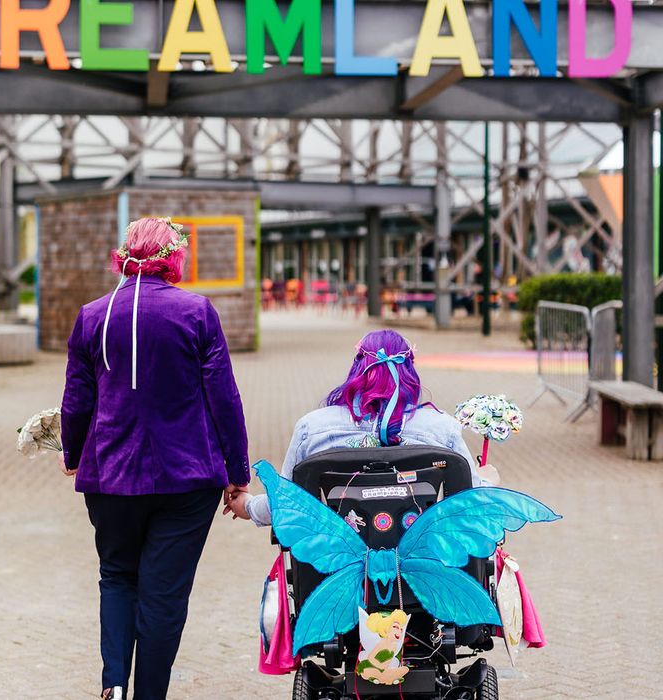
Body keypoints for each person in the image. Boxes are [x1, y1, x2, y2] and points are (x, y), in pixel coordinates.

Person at [59, 217, 250, 700]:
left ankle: (115, 684)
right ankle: (149, 695)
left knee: (117, 576)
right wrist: (237, 473)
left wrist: (72, 450)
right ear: (174, 257)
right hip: (187, 478)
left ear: (124, 255)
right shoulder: (197, 313)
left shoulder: (91, 316)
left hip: (109, 475)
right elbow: (224, 397)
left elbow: (77, 399)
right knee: (164, 595)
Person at [225, 329, 497, 526]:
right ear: (410, 373)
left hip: (335, 569)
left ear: (357, 368)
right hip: (421, 571)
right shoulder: (442, 429)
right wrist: (489, 479)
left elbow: (286, 506)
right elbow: (473, 502)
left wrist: (247, 505)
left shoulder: (314, 428)